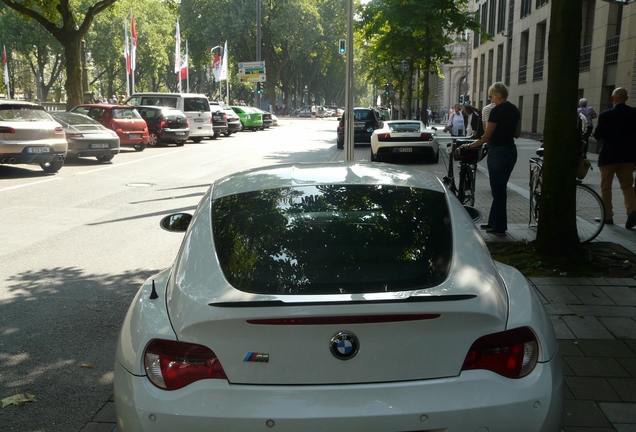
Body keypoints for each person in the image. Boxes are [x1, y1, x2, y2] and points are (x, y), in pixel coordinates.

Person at [462, 82, 521, 236]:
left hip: (497, 152)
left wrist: (470, 146)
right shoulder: (515, 110)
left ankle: (499, 226)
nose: (491, 99)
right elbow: (517, 134)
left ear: (496, 95)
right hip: (511, 151)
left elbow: (486, 136)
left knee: (498, 190)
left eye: (492, 96)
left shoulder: (496, 111)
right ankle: (493, 222)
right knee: (500, 188)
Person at [592, 87, 636, 228]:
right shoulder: (634, 113)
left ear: (612, 99)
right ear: (626, 99)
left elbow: (598, 135)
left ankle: (608, 216)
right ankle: (632, 210)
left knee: (606, 187)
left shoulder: (606, 115)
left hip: (609, 157)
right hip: (628, 157)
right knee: (627, 186)